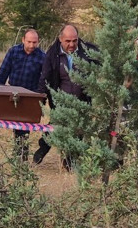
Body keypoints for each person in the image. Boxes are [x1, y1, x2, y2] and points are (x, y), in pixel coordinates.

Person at [33, 24, 98, 165]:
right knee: (54, 128)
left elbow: (104, 63)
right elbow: (45, 77)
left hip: (82, 101)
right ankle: (41, 151)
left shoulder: (87, 50)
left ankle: (70, 161)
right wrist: (39, 101)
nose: (72, 44)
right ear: (60, 39)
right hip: (60, 101)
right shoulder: (52, 53)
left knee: (78, 131)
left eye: (74, 40)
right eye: (68, 41)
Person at [0, 28, 46, 161]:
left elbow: (44, 79)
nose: (31, 45)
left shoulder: (42, 56)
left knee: (24, 127)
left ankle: (21, 155)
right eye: (29, 42)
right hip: (14, 93)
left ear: (38, 42)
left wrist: (40, 97)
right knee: (16, 126)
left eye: (34, 42)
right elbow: (3, 71)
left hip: (30, 95)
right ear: (23, 40)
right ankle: (19, 153)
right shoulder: (13, 51)